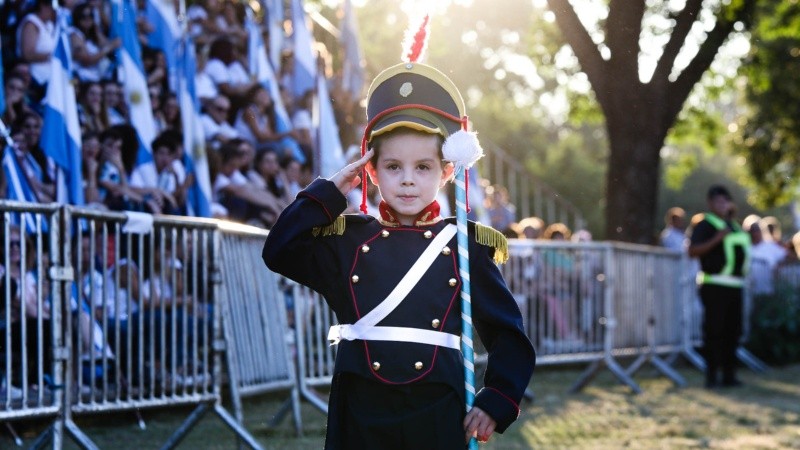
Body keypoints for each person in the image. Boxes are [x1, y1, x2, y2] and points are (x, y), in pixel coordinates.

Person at [263, 60, 535, 449]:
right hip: (360, 411)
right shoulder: (347, 241)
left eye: (423, 167)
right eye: (393, 166)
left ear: (446, 172)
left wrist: (497, 398)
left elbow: (507, 332)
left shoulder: (464, 245)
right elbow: (280, 250)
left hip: (438, 411)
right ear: (371, 172)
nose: (408, 179)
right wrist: (329, 191)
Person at [688, 185, 751, 389]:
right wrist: (717, 238)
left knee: (733, 331)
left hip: (735, 285)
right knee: (714, 331)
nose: (722, 205)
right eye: (718, 202)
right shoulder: (705, 225)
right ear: (710, 203)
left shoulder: (734, 226)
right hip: (713, 285)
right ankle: (712, 376)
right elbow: (692, 251)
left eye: (725, 201)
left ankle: (729, 376)